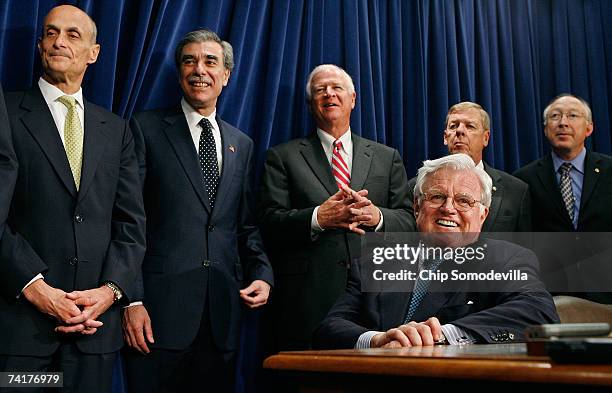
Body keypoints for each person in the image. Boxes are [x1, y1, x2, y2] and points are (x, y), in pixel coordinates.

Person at [0, 5, 145, 392]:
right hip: (21, 331)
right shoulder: (7, 112)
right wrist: (34, 287)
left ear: (94, 53)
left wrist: (110, 291)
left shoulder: (116, 129)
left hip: (94, 333)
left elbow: (130, 224)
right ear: (39, 45)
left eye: (72, 35)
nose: (58, 42)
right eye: (50, 33)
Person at [122, 29, 274, 393]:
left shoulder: (242, 143)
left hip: (221, 317)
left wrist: (263, 273)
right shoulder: (145, 128)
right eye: (189, 61)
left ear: (226, 75)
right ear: (178, 74)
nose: (199, 70)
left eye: (210, 61)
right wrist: (133, 299)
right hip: (157, 316)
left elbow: (244, 225)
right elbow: (129, 220)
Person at [313, 154, 558, 349]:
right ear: (417, 207)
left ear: (482, 215)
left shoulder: (507, 260)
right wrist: (378, 340)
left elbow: (538, 314)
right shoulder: (375, 262)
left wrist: (442, 335)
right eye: (437, 197)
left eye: (464, 201)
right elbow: (329, 329)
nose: (448, 208)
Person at [258, 64, 413, 351]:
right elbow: (268, 223)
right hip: (307, 304)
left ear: (353, 99)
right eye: (320, 90)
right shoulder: (282, 156)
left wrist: (377, 216)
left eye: (337, 87)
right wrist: (319, 218)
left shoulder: (386, 156)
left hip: (375, 302)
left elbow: (410, 221)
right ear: (310, 103)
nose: (329, 94)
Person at [514, 94, 612, 303]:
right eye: (555, 116)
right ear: (545, 128)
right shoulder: (524, 179)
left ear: (589, 128)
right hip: (550, 292)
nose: (563, 123)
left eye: (573, 116)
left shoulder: (610, 171)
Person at [407, 102, 530, 231]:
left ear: (486, 138)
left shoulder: (516, 190)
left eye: (470, 126)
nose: (460, 131)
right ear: (445, 137)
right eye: (453, 126)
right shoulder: (416, 187)